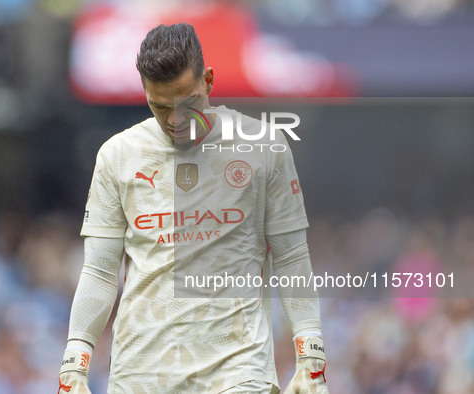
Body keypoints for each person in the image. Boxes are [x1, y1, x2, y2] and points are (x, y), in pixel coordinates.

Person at [58, 23, 329, 393]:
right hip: (139, 375)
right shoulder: (117, 156)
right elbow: (101, 271)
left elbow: (292, 257)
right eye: (159, 106)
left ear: (209, 81)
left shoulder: (265, 147)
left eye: (186, 103)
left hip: (237, 371)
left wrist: (311, 354)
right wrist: (75, 360)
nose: (174, 120)